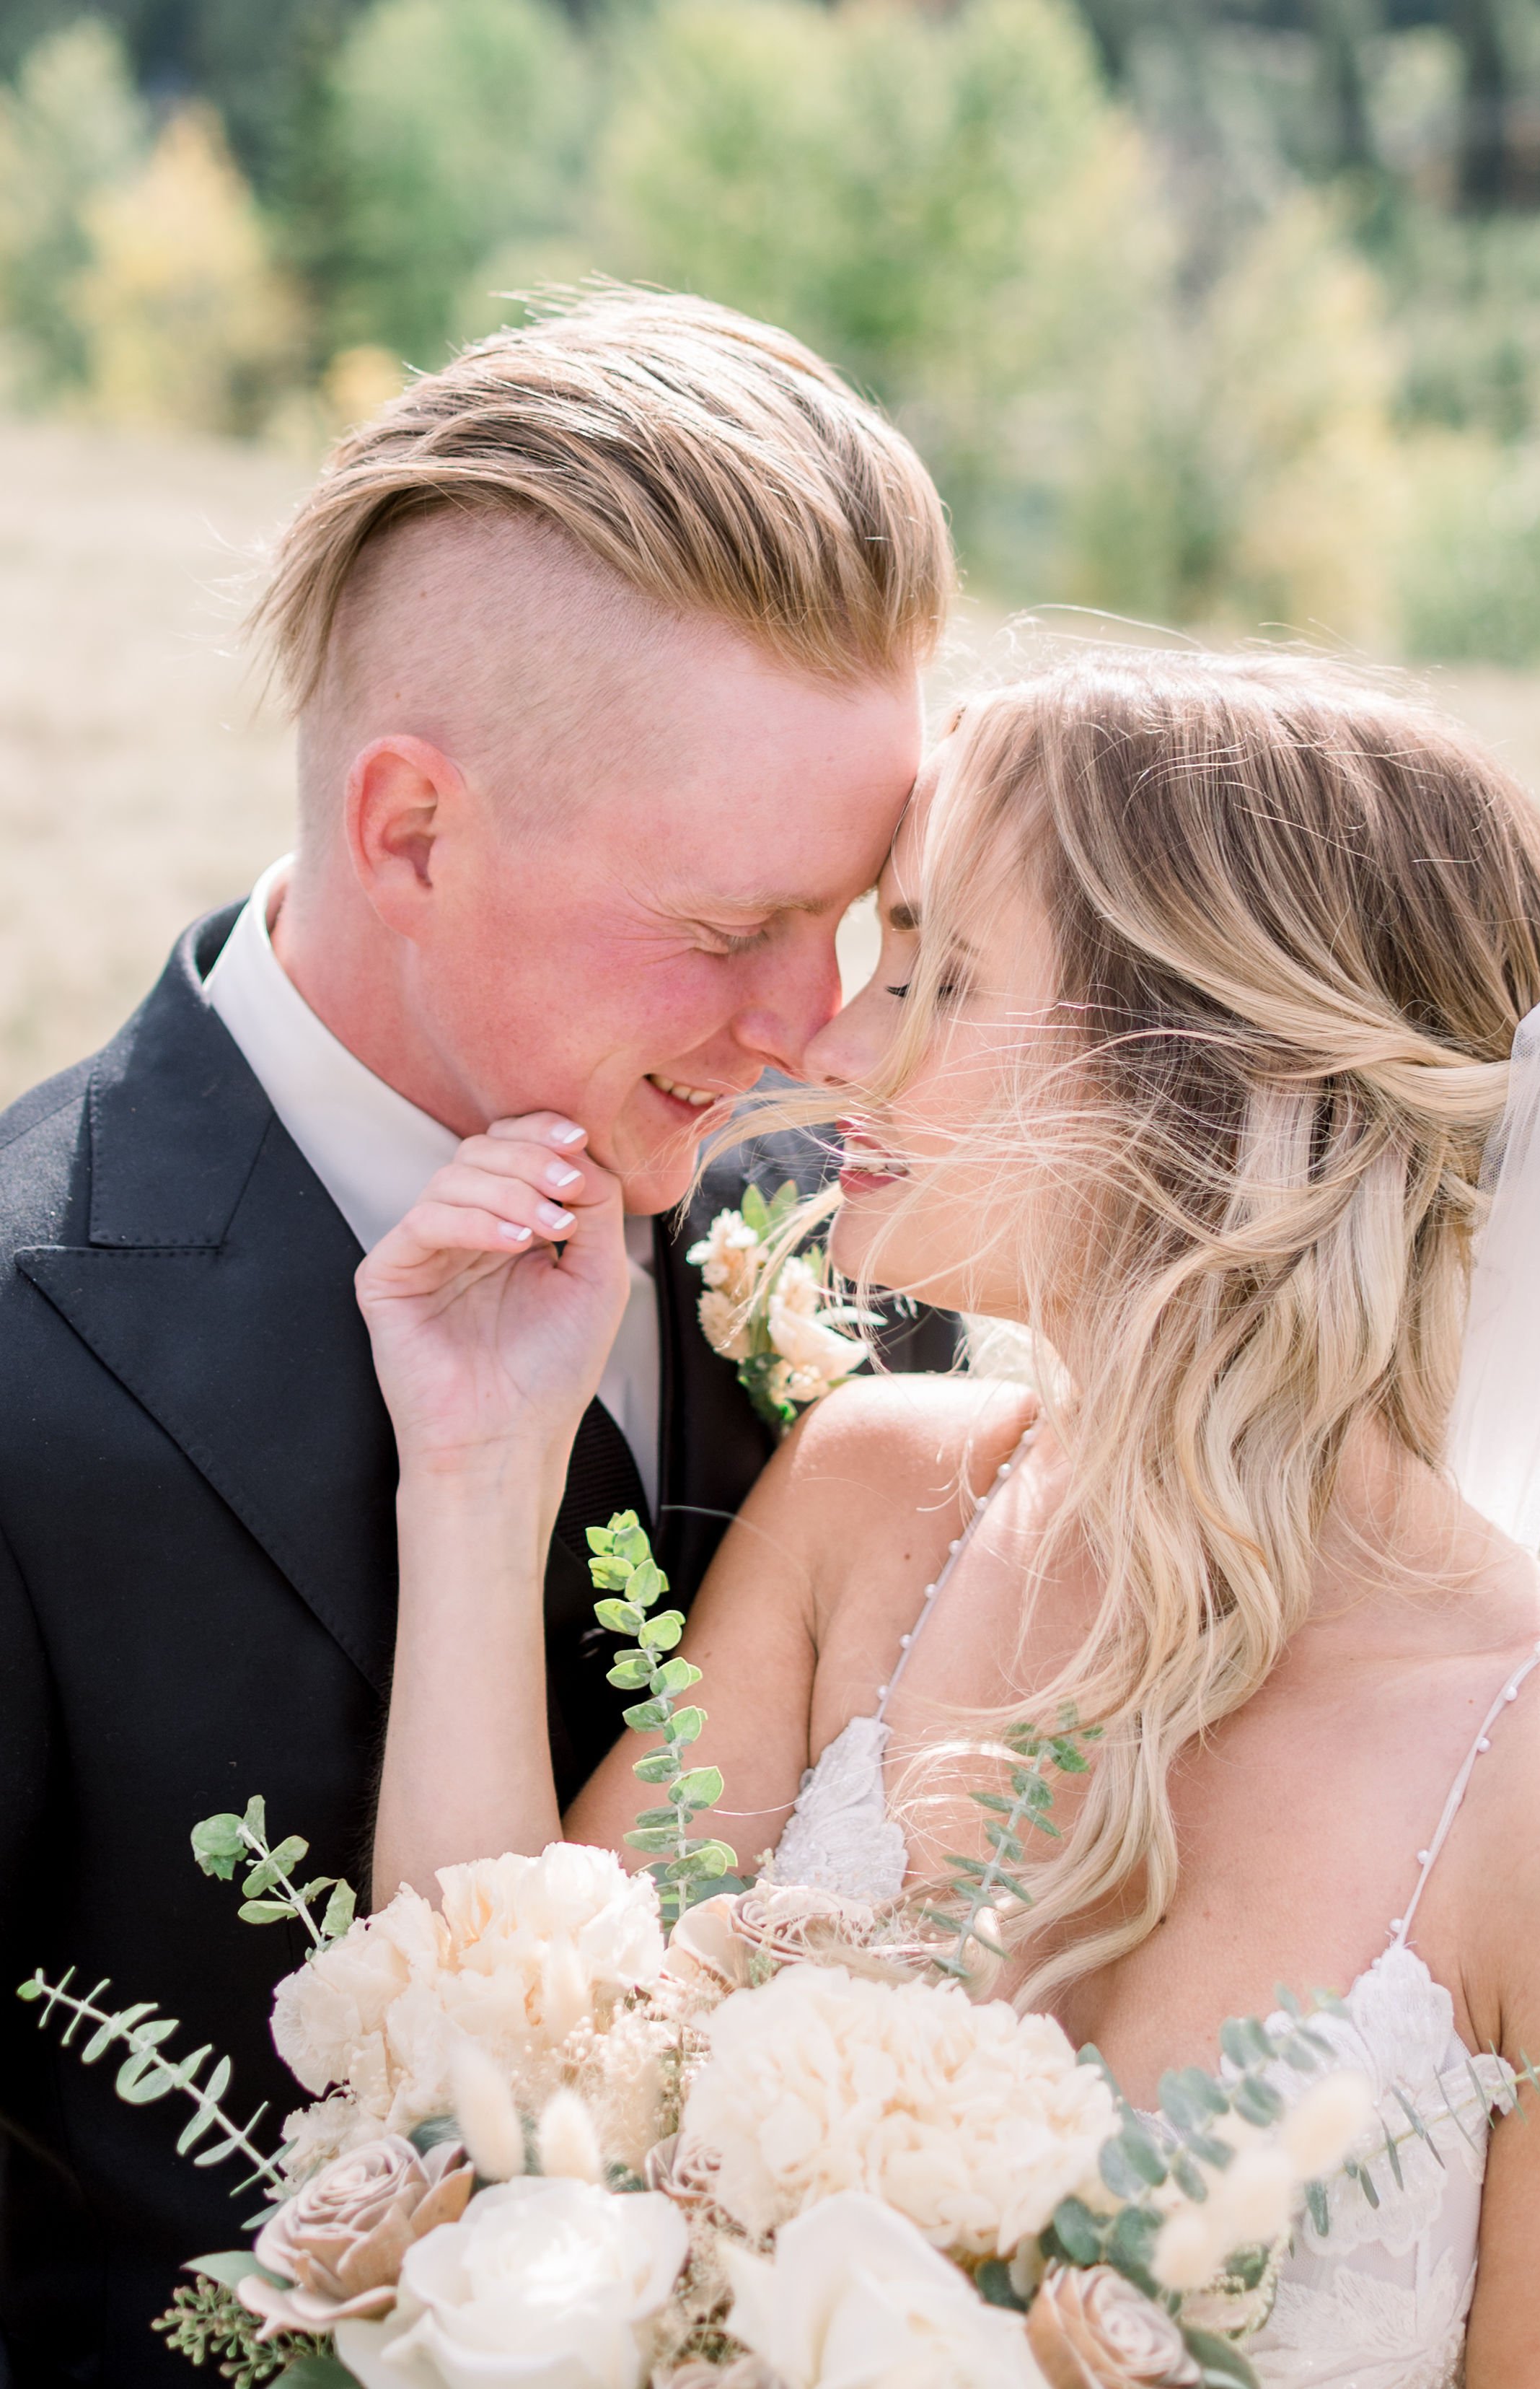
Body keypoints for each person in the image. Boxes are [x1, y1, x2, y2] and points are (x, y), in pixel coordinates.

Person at [364, 649, 1540, 2387]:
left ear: (1203, 1070)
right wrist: (477, 1468)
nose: (837, 1043)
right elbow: (472, 2089)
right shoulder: (869, 1497)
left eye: (936, 975)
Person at [0, 289, 959, 2386]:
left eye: (862, 922)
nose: (816, 1031)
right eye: (726, 932)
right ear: (411, 830)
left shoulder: (876, 1249)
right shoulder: (20, 1347)